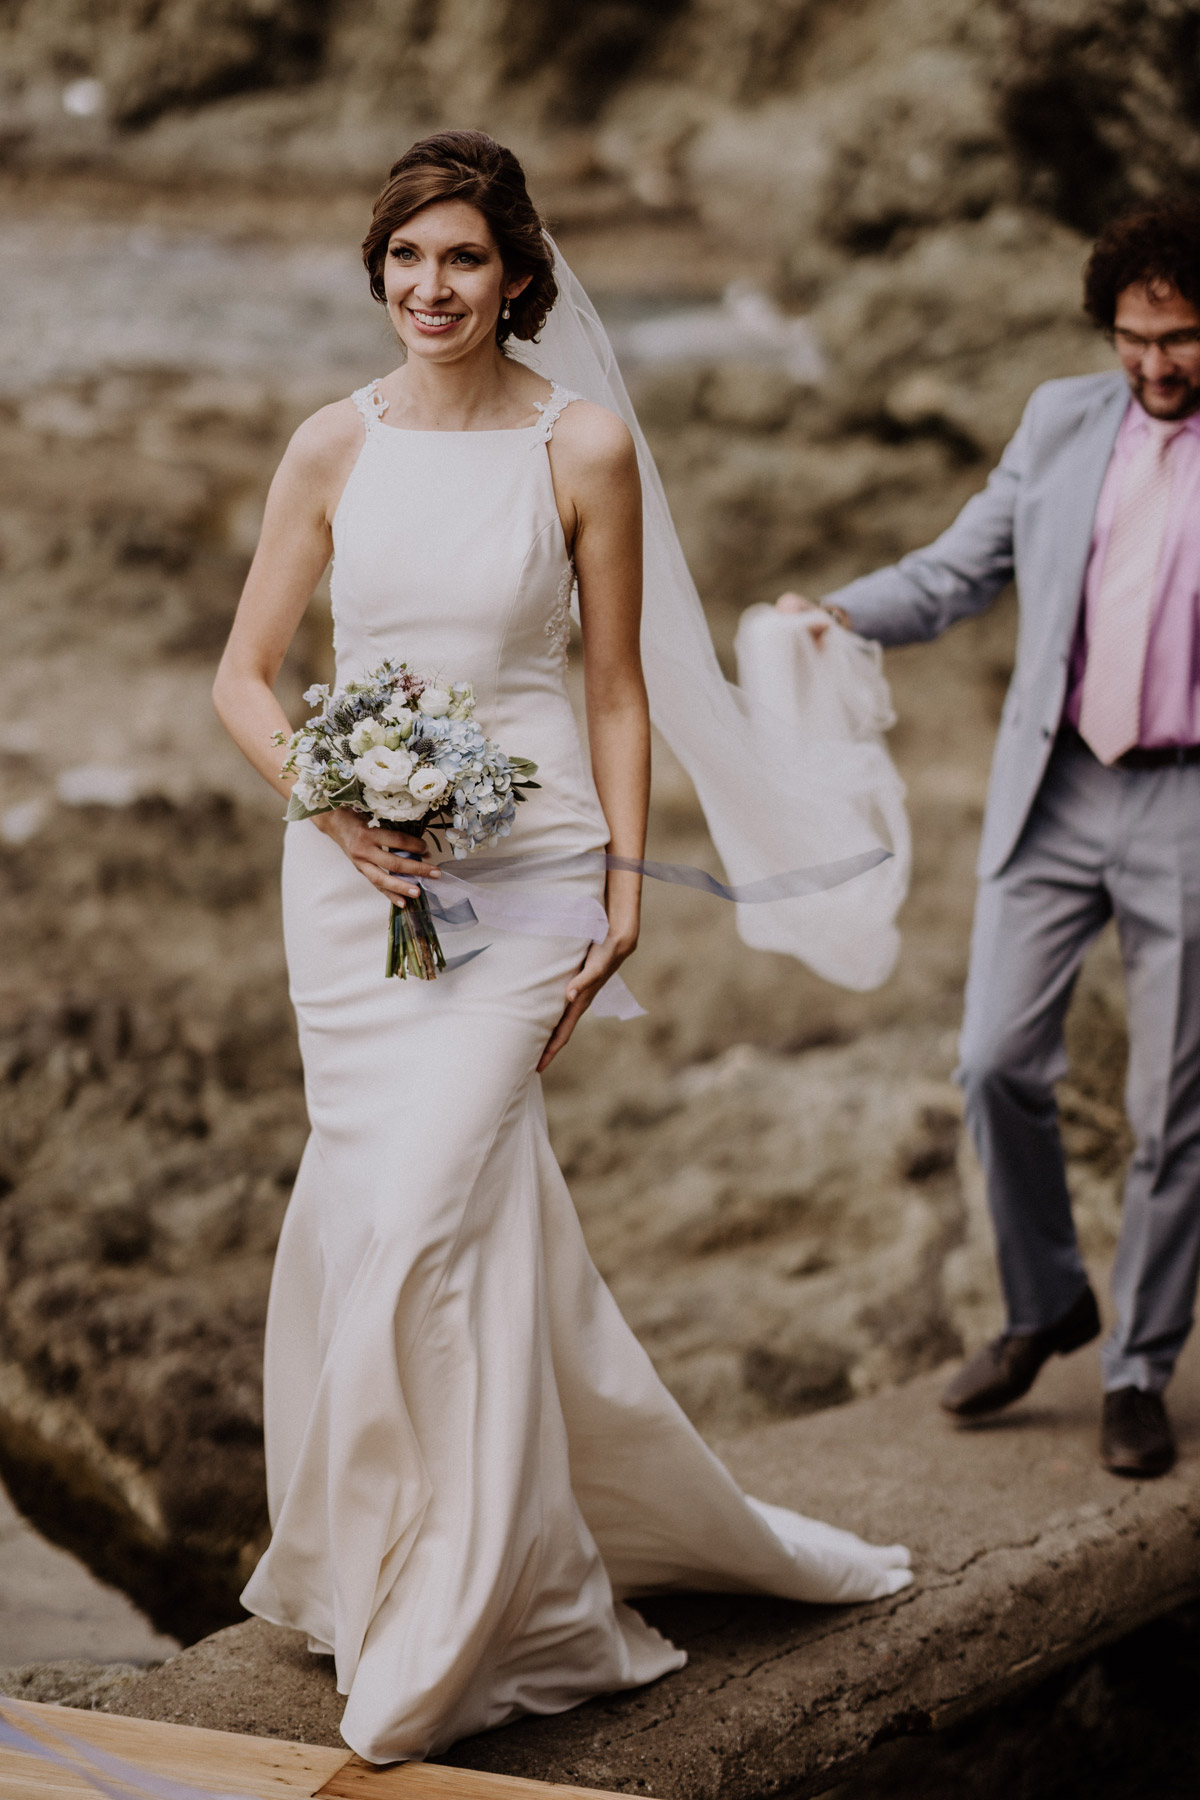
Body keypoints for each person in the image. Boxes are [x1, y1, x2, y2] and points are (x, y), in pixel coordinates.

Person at [213, 130, 909, 1766]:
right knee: (401, 1222)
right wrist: (332, 808)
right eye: (406, 261)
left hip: (528, 877)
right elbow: (246, 677)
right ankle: (387, 1568)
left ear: (518, 274)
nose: (432, 289)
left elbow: (612, 689)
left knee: (422, 1219)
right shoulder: (331, 444)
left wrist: (626, 884)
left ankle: (465, 1619)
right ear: (378, 272)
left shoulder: (583, 446)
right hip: (352, 887)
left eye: (462, 261)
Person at [780, 196, 1200, 1481]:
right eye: (1134, 337)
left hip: (1190, 803)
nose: (1155, 363)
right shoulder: (1062, 421)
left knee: (1171, 1109)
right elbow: (958, 571)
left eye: (1180, 337)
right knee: (991, 1062)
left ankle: (1137, 1369)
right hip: (1058, 786)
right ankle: (1044, 1305)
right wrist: (839, 612)